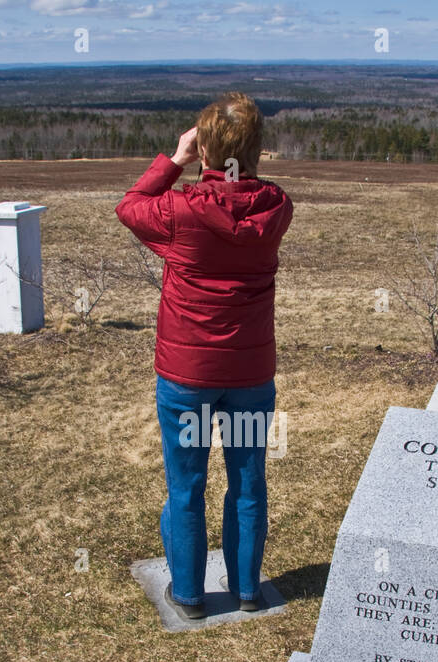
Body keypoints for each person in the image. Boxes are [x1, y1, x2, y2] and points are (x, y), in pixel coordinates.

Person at [115, 92, 294, 620]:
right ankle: (246, 590)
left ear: (206, 149)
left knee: (186, 484)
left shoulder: (180, 211)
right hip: (250, 374)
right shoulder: (276, 207)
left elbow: (128, 207)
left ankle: (189, 597)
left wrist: (175, 159)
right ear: (258, 149)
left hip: (188, 376)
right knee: (248, 480)